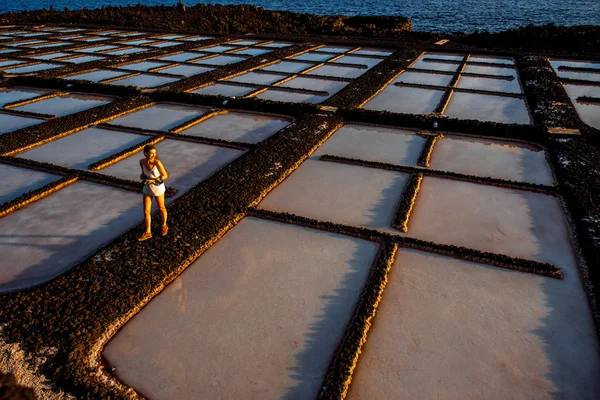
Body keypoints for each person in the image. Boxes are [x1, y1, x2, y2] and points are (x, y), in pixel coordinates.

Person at [138, 144, 169, 241]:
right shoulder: (142, 162)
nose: (153, 155)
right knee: (146, 211)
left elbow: (165, 176)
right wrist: (142, 176)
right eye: (151, 153)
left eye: (154, 153)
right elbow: (143, 173)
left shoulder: (157, 163)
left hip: (158, 188)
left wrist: (153, 180)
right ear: (145, 153)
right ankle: (148, 232)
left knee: (161, 207)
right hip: (147, 188)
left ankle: (164, 225)